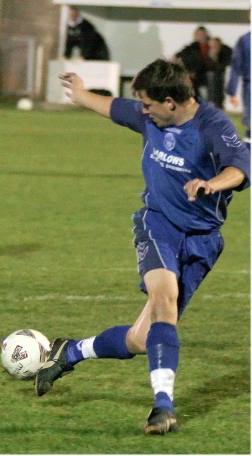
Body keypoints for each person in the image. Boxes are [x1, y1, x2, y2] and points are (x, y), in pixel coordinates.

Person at [35, 59, 249, 435]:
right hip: (158, 226)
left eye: (148, 104)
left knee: (141, 338)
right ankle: (162, 406)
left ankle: (70, 351)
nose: (143, 111)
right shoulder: (151, 118)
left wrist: (212, 184)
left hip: (203, 241)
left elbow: (241, 168)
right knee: (164, 301)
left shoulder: (213, 126)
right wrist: (81, 92)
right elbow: (112, 107)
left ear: (171, 102)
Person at [225, 31, 250, 144]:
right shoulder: (245, 40)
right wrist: (232, 92)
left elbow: (236, 65)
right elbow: (236, 65)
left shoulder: (245, 40)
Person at [176, 26, 210, 98]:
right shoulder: (191, 48)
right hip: (195, 77)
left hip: (207, 75)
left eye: (201, 34)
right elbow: (179, 56)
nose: (199, 36)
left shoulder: (210, 45)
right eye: (197, 34)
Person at [205, 37, 233, 109]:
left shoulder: (226, 51)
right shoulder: (207, 52)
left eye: (214, 45)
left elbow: (223, 67)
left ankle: (216, 104)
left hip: (223, 77)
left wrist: (214, 58)